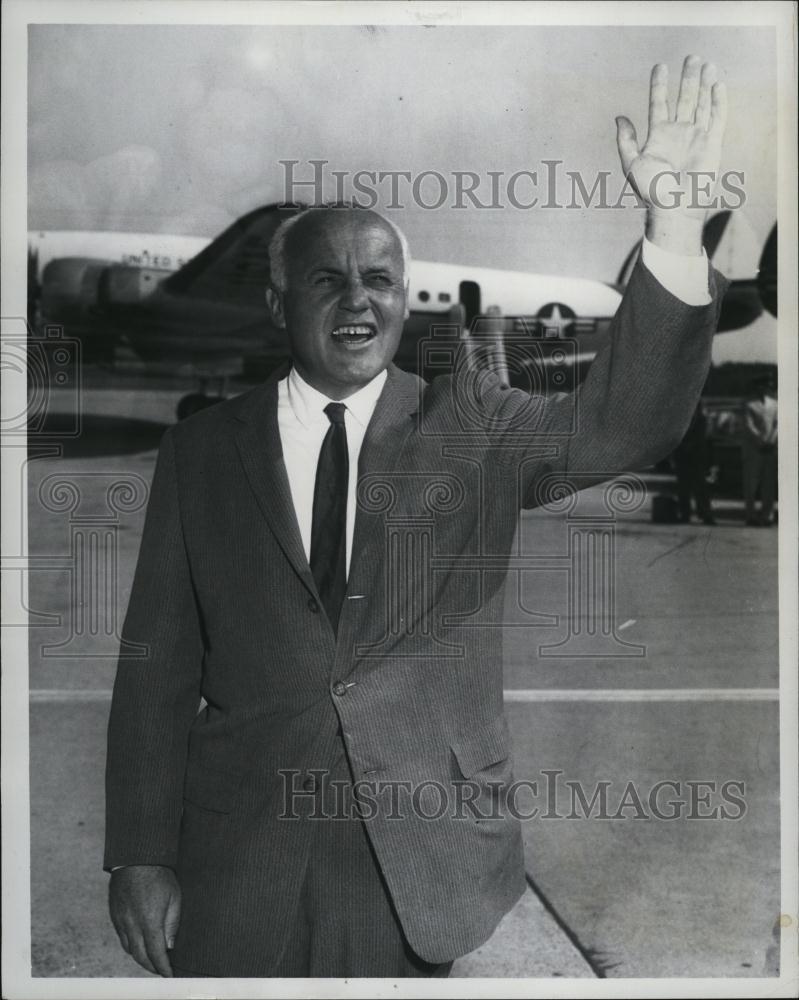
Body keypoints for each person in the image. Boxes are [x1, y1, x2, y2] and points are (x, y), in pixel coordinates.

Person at [105, 56, 729, 978]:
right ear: (279, 302)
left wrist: (673, 230)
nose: (358, 299)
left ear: (402, 298)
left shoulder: (470, 422)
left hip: (415, 861)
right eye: (327, 280)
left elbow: (623, 425)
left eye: (380, 279)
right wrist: (139, 851)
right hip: (240, 852)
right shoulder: (200, 453)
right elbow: (156, 666)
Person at [741, 375, 778, 526]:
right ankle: (751, 516)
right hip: (754, 449)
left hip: (770, 448)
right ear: (756, 387)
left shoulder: (775, 404)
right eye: (760, 385)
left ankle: (767, 516)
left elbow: (777, 425)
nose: (763, 388)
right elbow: (749, 426)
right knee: (751, 484)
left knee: (769, 484)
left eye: (766, 385)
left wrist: (771, 440)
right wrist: (760, 441)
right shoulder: (749, 404)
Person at [673, 401, 716, 524]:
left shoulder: (702, 419)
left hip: (698, 456)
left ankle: (705, 514)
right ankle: (685, 514)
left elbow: (705, 438)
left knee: (701, 486)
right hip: (682, 455)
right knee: (683, 487)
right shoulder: (679, 420)